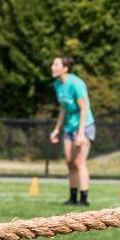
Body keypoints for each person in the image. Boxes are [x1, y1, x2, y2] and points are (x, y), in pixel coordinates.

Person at [50, 55, 95, 206]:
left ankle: (84, 198)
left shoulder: (76, 84)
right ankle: (72, 197)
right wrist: (57, 129)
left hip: (84, 126)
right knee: (69, 163)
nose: (52, 67)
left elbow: (84, 109)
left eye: (56, 64)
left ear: (65, 68)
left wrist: (81, 133)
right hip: (69, 127)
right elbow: (64, 108)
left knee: (79, 162)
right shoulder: (57, 84)